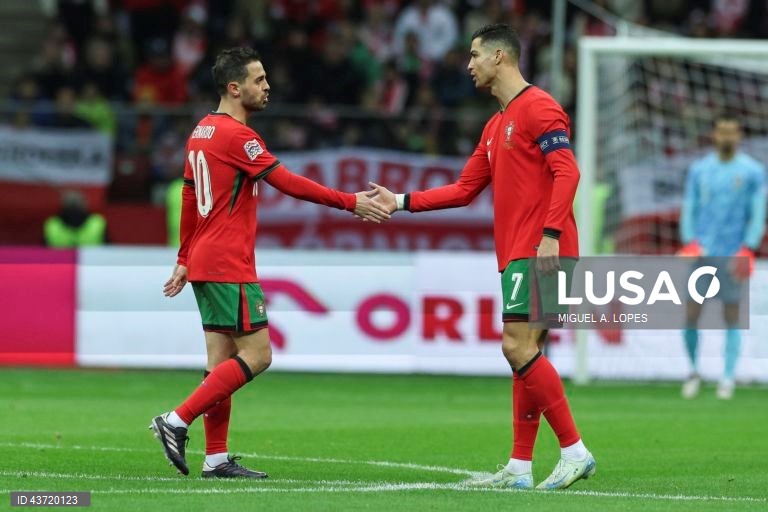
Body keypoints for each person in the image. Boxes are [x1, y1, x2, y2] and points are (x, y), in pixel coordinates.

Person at [369, 23, 594, 491]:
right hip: (520, 251)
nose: (468, 64)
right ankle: (519, 465)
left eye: (474, 55)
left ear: (499, 57)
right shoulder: (495, 125)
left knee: (515, 346)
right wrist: (401, 201)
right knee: (526, 354)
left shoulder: (540, 107)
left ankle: (575, 451)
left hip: (542, 249)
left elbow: (567, 172)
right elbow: (464, 190)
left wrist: (551, 234)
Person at [150, 47, 390, 479]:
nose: (267, 87)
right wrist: (349, 201)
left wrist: (185, 257)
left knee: (221, 361)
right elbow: (287, 183)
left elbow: (189, 196)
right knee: (258, 356)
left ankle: (216, 458)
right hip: (227, 262)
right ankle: (176, 421)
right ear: (234, 87)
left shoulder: (201, 131)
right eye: (259, 80)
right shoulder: (239, 137)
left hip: (205, 260)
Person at [678, 113, 765, 400]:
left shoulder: (752, 171)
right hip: (701, 253)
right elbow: (689, 205)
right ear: (714, 135)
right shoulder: (700, 169)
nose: (727, 137)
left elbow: (758, 211)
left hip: (732, 254)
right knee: (691, 314)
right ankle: (693, 372)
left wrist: (748, 247)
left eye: (732, 132)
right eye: (722, 132)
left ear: (739, 136)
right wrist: (689, 241)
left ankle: (727, 378)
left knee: (731, 316)